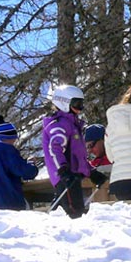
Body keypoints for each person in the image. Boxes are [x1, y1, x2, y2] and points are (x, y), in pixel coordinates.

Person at [42, 84, 97, 218]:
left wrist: (91, 172)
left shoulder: (72, 125)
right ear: (64, 103)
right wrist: (63, 170)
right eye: (77, 104)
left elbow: (77, 156)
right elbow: (54, 149)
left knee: (75, 212)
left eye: (81, 104)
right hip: (66, 179)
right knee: (73, 214)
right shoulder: (60, 124)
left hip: (72, 177)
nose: (80, 109)